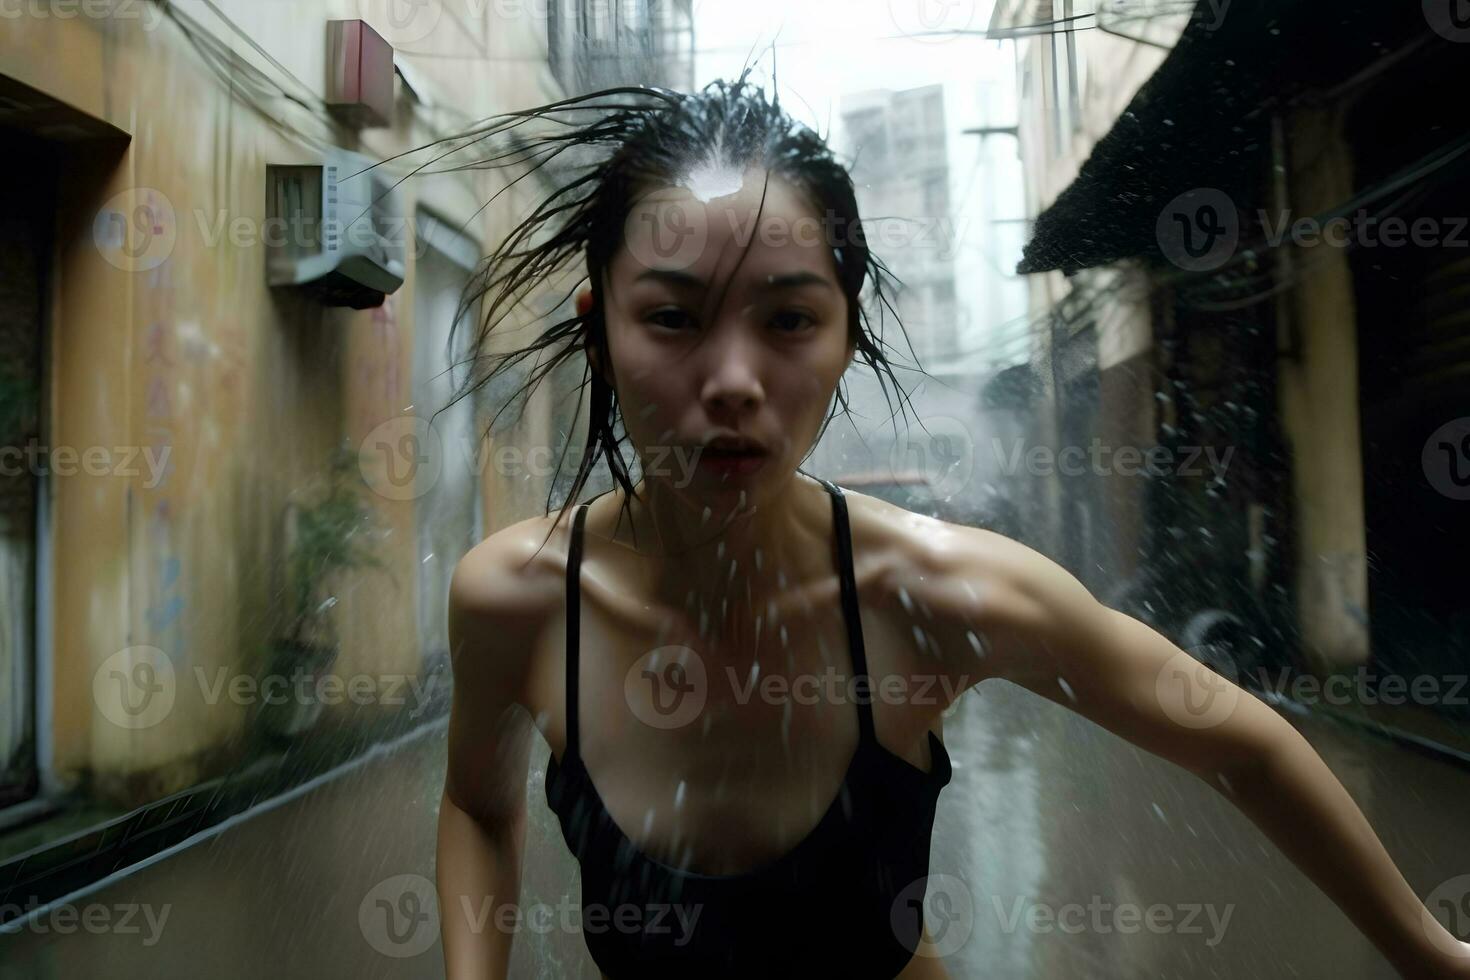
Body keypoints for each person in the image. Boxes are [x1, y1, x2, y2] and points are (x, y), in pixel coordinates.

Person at [429, 71, 1470, 979]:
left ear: (846, 336)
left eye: (790, 318)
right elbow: (478, 804)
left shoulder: (934, 594)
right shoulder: (514, 598)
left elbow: (1241, 744)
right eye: (671, 316)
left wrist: (1432, 953)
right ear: (598, 334)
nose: (735, 380)